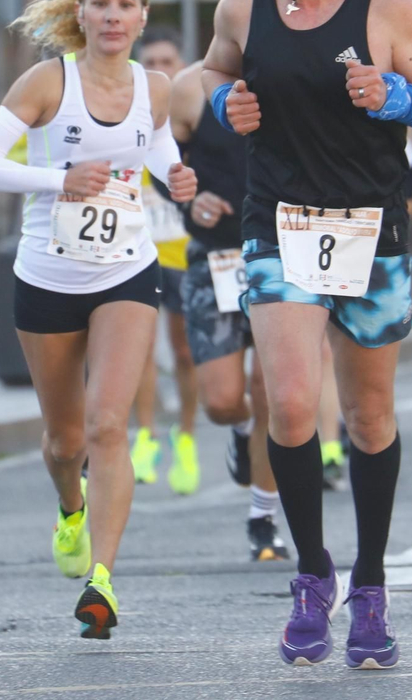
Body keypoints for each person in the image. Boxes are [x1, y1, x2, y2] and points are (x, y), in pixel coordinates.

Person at [203, 0, 412, 669]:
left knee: (367, 418)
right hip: (277, 223)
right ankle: (313, 577)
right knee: (288, 406)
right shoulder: (242, 7)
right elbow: (208, 72)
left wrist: (399, 98)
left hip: (370, 228)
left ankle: (373, 586)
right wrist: (222, 99)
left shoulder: (387, 3)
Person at [0, 0, 196, 640]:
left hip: (126, 269)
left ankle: (104, 581)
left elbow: (156, 157)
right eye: (102, 3)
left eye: (126, 5)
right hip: (46, 276)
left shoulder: (156, 89)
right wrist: (57, 178)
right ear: (82, 11)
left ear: (142, 14)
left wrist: (181, 184)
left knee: (106, 427)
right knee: (66, 441)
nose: (114, 16)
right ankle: (71, 508)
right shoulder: (45, 82)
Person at [171, 59, 289, 561]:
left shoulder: (293, 77)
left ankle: (263, 518)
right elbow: (162, 164)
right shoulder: (190, 86)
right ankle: (240, 431)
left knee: (270, 388)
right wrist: (190, 199)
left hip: (283, 253)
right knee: (222, 401)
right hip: (214, 256)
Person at [130, 27, 200, 494]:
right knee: (138, 353)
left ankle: (188, 438)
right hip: (136, 255)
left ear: (182, 67)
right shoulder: (127, 121)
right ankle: (146, 435)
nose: (161, 68)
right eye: (150, 60)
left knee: (183, 351)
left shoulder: (195, 127)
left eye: (168, 60)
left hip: (185, 256)